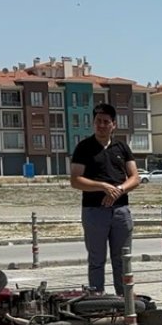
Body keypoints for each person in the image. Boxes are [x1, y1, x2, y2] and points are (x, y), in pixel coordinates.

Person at [69, 103, 139, 294]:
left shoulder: (122, 147)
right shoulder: (84, 147)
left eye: (106, 122)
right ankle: (96, 300)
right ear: (93, 123)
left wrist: (119, 190)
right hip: (94, 212)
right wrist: (102, 186)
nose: (101, 125)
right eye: (98, 121)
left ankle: (125, 301)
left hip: (120, 211)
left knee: (122, 259)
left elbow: (135, 178)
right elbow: (75, 180)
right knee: (96, 260)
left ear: (113, 125)